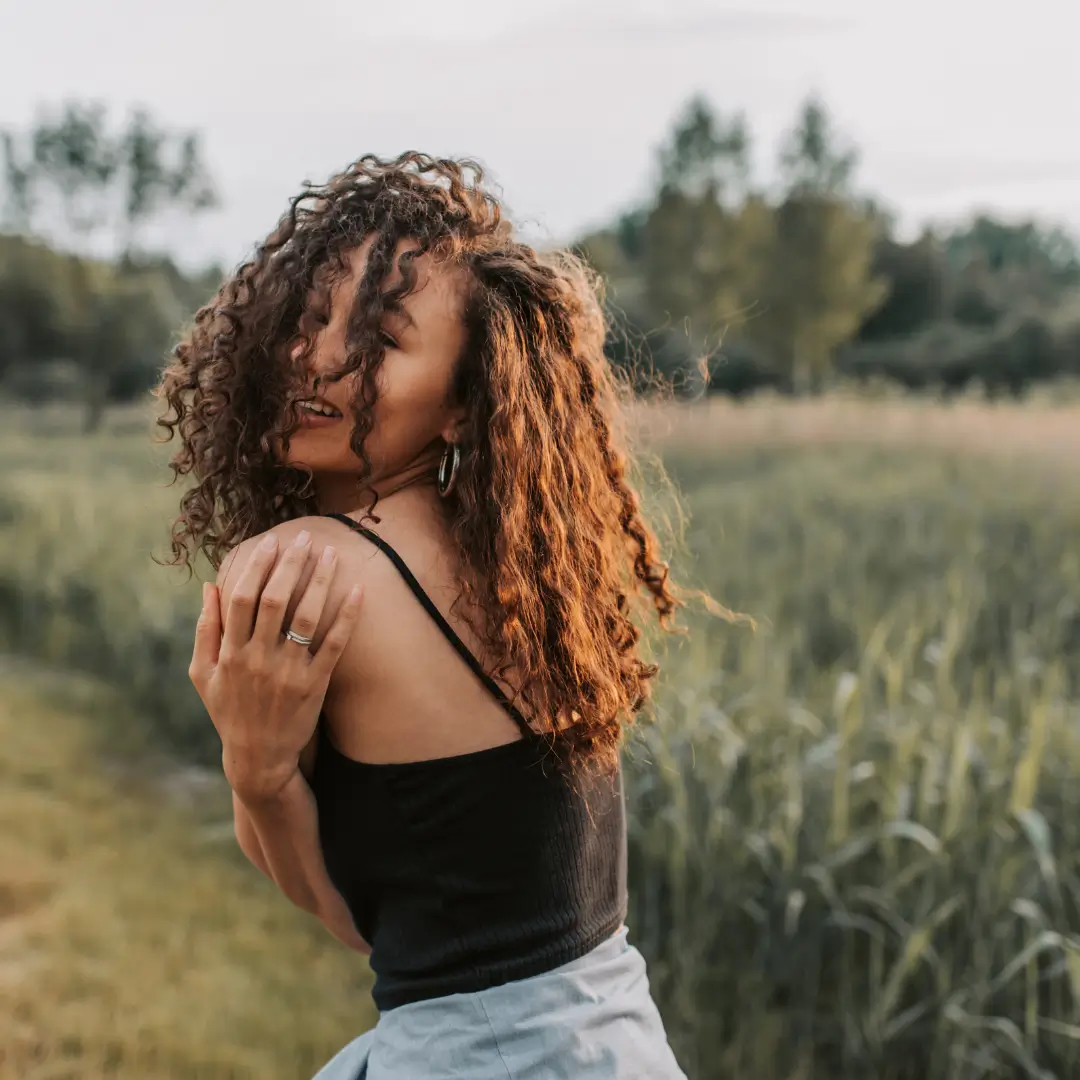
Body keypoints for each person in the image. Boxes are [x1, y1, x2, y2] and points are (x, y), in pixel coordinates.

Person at [158, 152, 688, 1078]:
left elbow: (353, 923)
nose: (316, 356)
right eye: (314, 317)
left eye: (379, 340)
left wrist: (258, 771)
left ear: (461, 406)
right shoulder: (528, 574)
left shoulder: (302, 570)